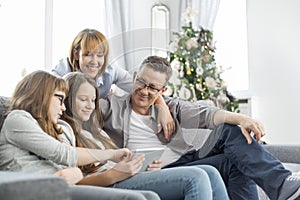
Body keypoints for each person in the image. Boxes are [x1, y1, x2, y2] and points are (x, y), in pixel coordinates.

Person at [99, 55, 300, 200]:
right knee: (232, 159)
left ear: (163, 90)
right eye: (141, 82)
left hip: (181, 162)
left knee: (231, 133)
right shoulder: (111, 107)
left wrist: (242, 118)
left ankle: (281, 183)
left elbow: (206, 114)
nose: (144, 91)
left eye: (153, 88)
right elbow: (80, 96)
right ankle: (281, 183)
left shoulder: (170, 106)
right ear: (134, 77)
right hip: (151, 173)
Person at [60, 71, 229, 200]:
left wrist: (141, 165)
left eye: (93, 100)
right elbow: (72, 180)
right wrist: (116, 174)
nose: (90, 106)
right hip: (111, 183)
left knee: (210, 172)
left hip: (125, 176)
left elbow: (112, 161)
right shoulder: (63, 131)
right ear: (67, 99)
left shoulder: (95, 131)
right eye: (83, 99)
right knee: (196, 177)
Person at [0, 70, 161, 200]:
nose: (63, 108)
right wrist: (112, 154)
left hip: (60, 187)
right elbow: (64, 154)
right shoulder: (18, 118)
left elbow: (69, 166)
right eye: (60, 100)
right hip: (38, 190)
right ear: (42, 95)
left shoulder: (47, 128)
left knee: (150, 196)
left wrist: (75, 173)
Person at [51, 28, 175, 139]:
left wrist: (163, 107)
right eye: (88, 54)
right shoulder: (62, 70)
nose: (95, 62)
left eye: (100, 55)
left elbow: (139, 86)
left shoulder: (110, 71)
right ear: (76, 54)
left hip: (94, 120)